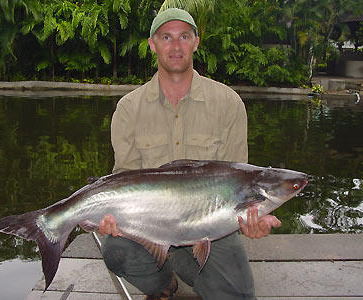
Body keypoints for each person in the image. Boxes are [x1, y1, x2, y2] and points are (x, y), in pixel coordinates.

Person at [98, 8, 281, 300]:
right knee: (116, 251)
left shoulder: (228, 103)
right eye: (166, 37)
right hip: (149, 224)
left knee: (238, 296)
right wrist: (111, 217)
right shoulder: (129, 108)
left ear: (196, 42)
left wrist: (252, 220)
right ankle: (163, 286)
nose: (175, 46)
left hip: (210, 227)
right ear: (152, 44)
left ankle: (187, 266)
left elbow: (240, 183)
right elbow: (124, 178)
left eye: (184, 36)